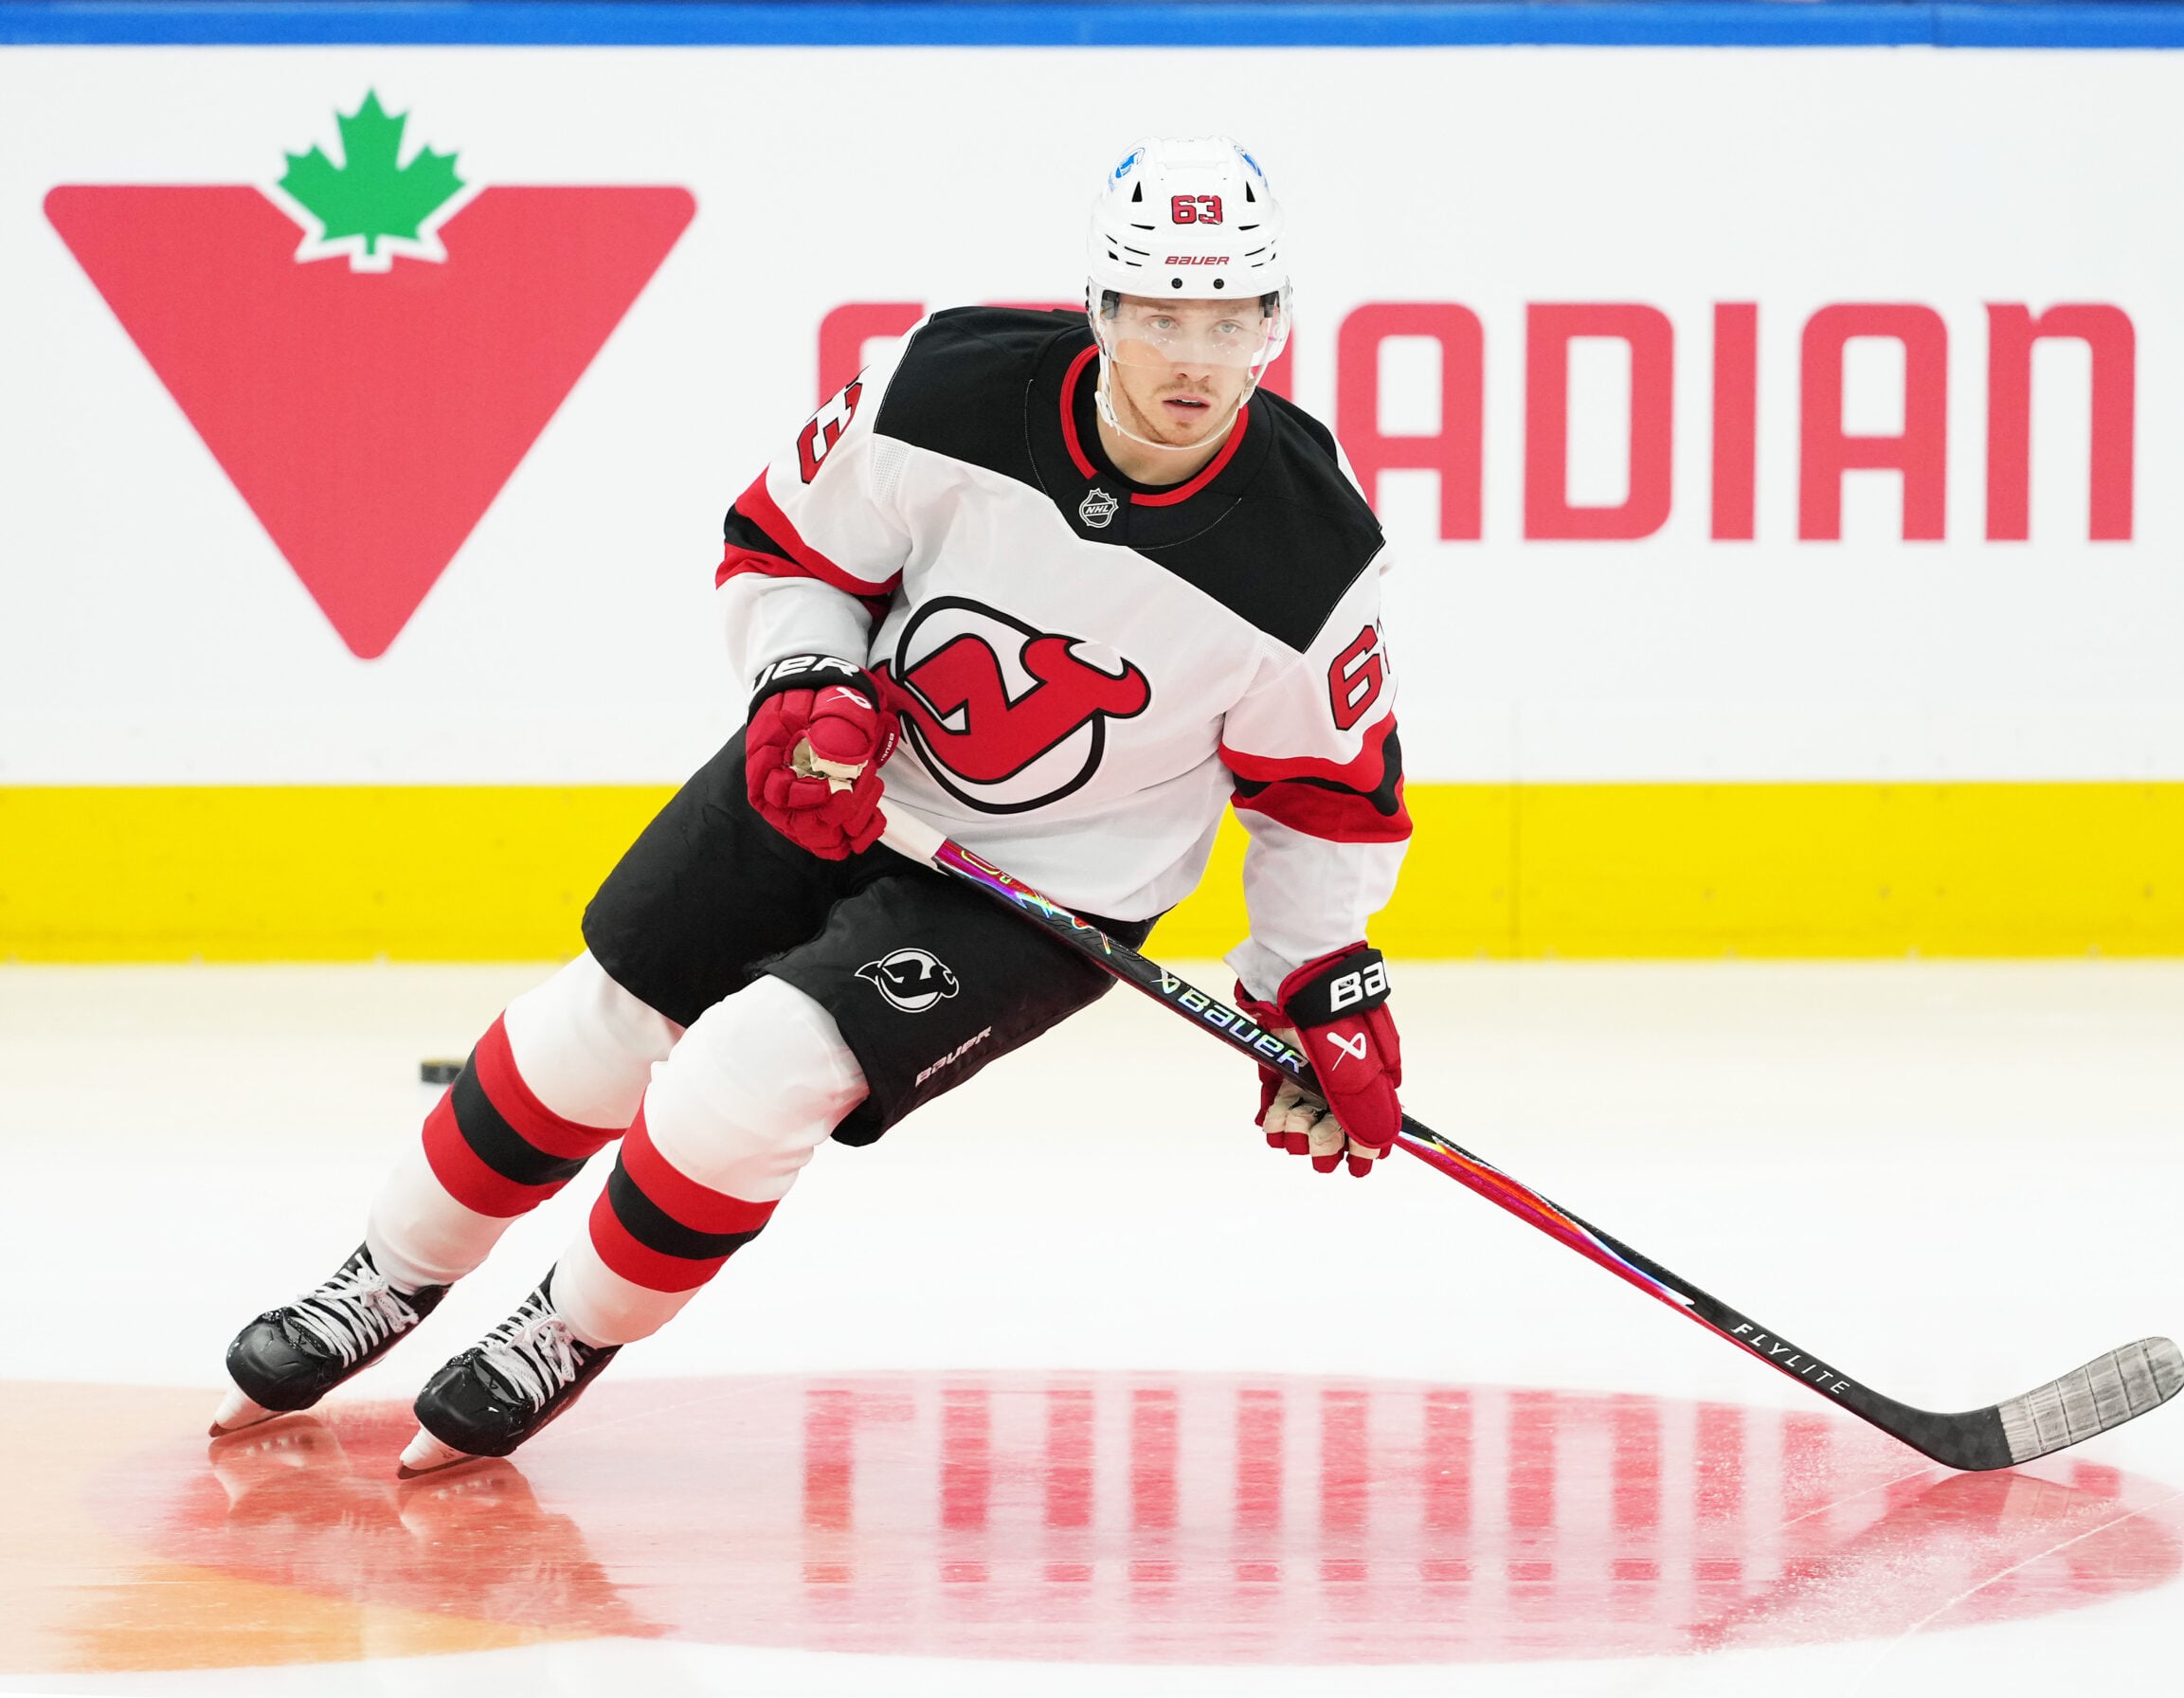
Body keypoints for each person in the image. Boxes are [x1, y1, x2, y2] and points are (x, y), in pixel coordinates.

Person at [210, 136, 1414, 1475]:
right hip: (836, 766)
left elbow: (1325, 796)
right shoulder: (947, 386)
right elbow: (786, 550)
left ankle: (568, 1326)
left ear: (1274, 322)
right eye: (1164, 315)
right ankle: (382, 1278)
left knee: (748, 1079)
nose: (1198, 357)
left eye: (1234, 318)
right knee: (592, 1030)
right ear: (1104, 309)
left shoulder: (1312, 548)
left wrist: (1314, 978)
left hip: (1052, 888)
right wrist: (803, 680)